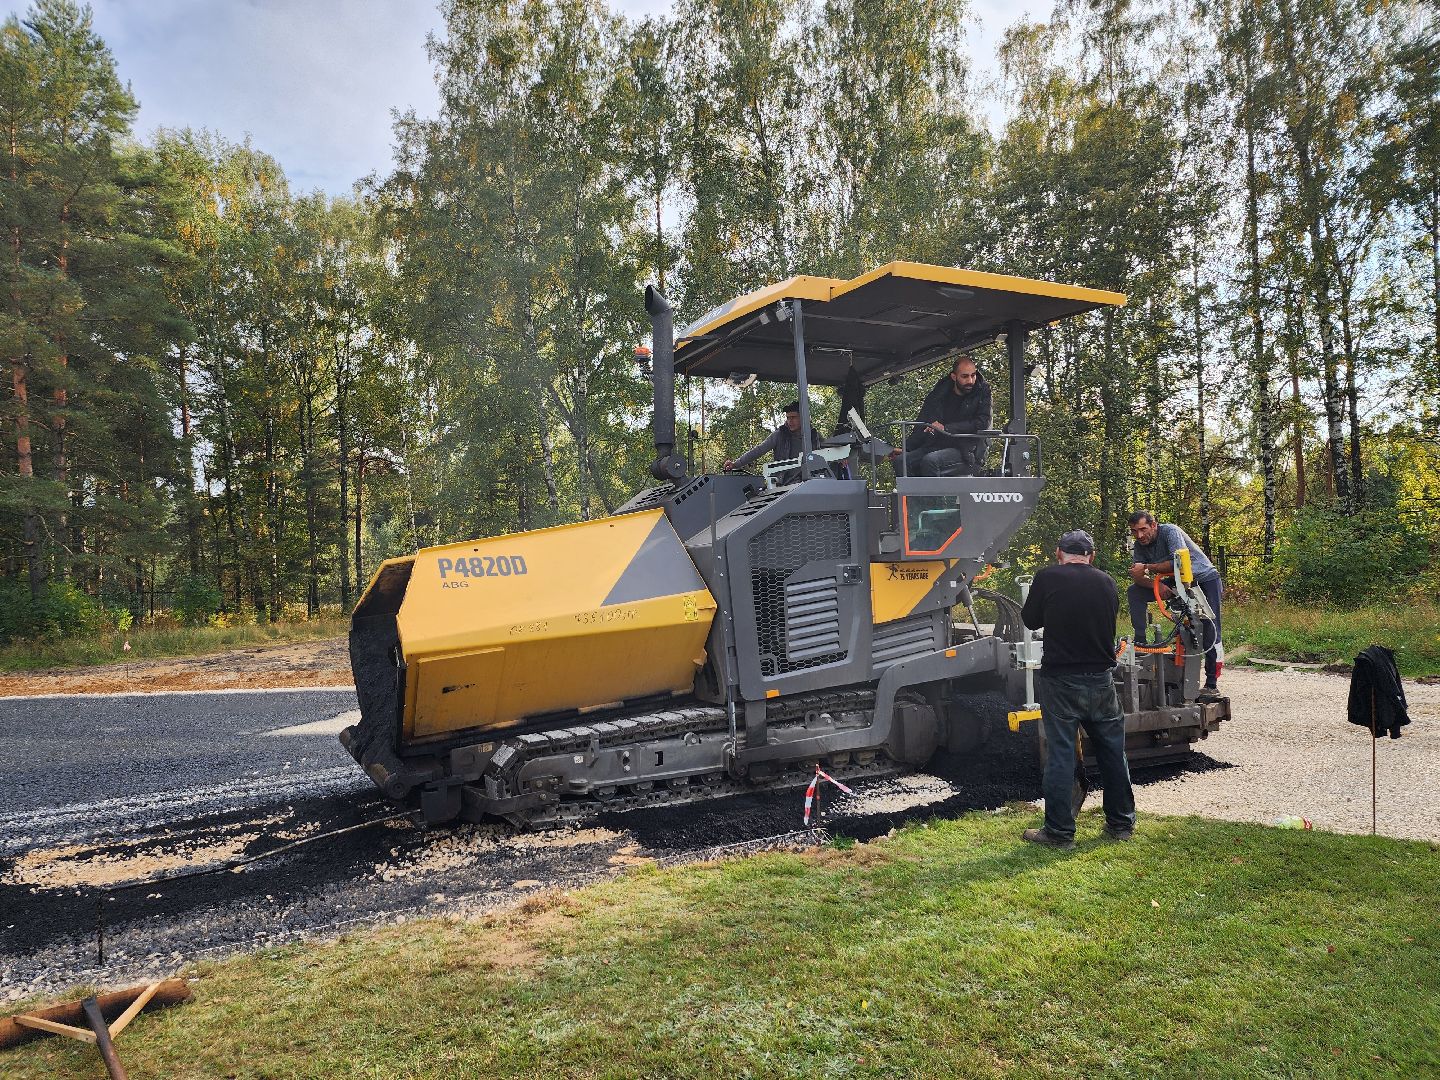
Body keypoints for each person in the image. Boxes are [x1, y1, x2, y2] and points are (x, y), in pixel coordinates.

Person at [1019, 529, 1136, 850]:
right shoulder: (1107, 582)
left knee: (1061, 754)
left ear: (1059, 553)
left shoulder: (1047, 577)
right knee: (1113, 752)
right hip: (1101, 680)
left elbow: (1030, 620)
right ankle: (1121, 824)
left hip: (1060, 681)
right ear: (1091, 556)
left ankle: (1059, 833)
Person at [1127, 511, 1223, 700]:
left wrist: (1147, 567)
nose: (1139, 535)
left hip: (1202, 579)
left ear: (1154, 525)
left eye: (1143, 529)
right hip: (1174, 581)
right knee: (1134, 592)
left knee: (1209, 627)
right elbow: (1138, 578)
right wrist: (1157, 586)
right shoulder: (1139, 545)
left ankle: (1212, 684)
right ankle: (1141, 643)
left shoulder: (1170, 531)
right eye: (1134, 531)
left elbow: (1178, 563)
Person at [893, 354, 992, 477]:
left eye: (973, 375)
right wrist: (906, 448)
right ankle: (913, 490)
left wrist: (946, 428)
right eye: (965, 376)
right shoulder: (939, 393)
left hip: (967, 449)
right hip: (937, 445)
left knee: (930, 461)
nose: (970, 381)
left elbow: (983, 423)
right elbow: (923, 423)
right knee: (901, 461)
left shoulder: (983, 391)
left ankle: (933, 491)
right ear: (954, 376)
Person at [723, 401, 823, 483]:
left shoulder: (815, 436)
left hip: (811, 483)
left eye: (793, 417)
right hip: (784, 485)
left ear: (803, 418)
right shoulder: (780, 435)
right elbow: (759, 450)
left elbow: (828, 453)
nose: (790, 421)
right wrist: (735, 464)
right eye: (788, 418)